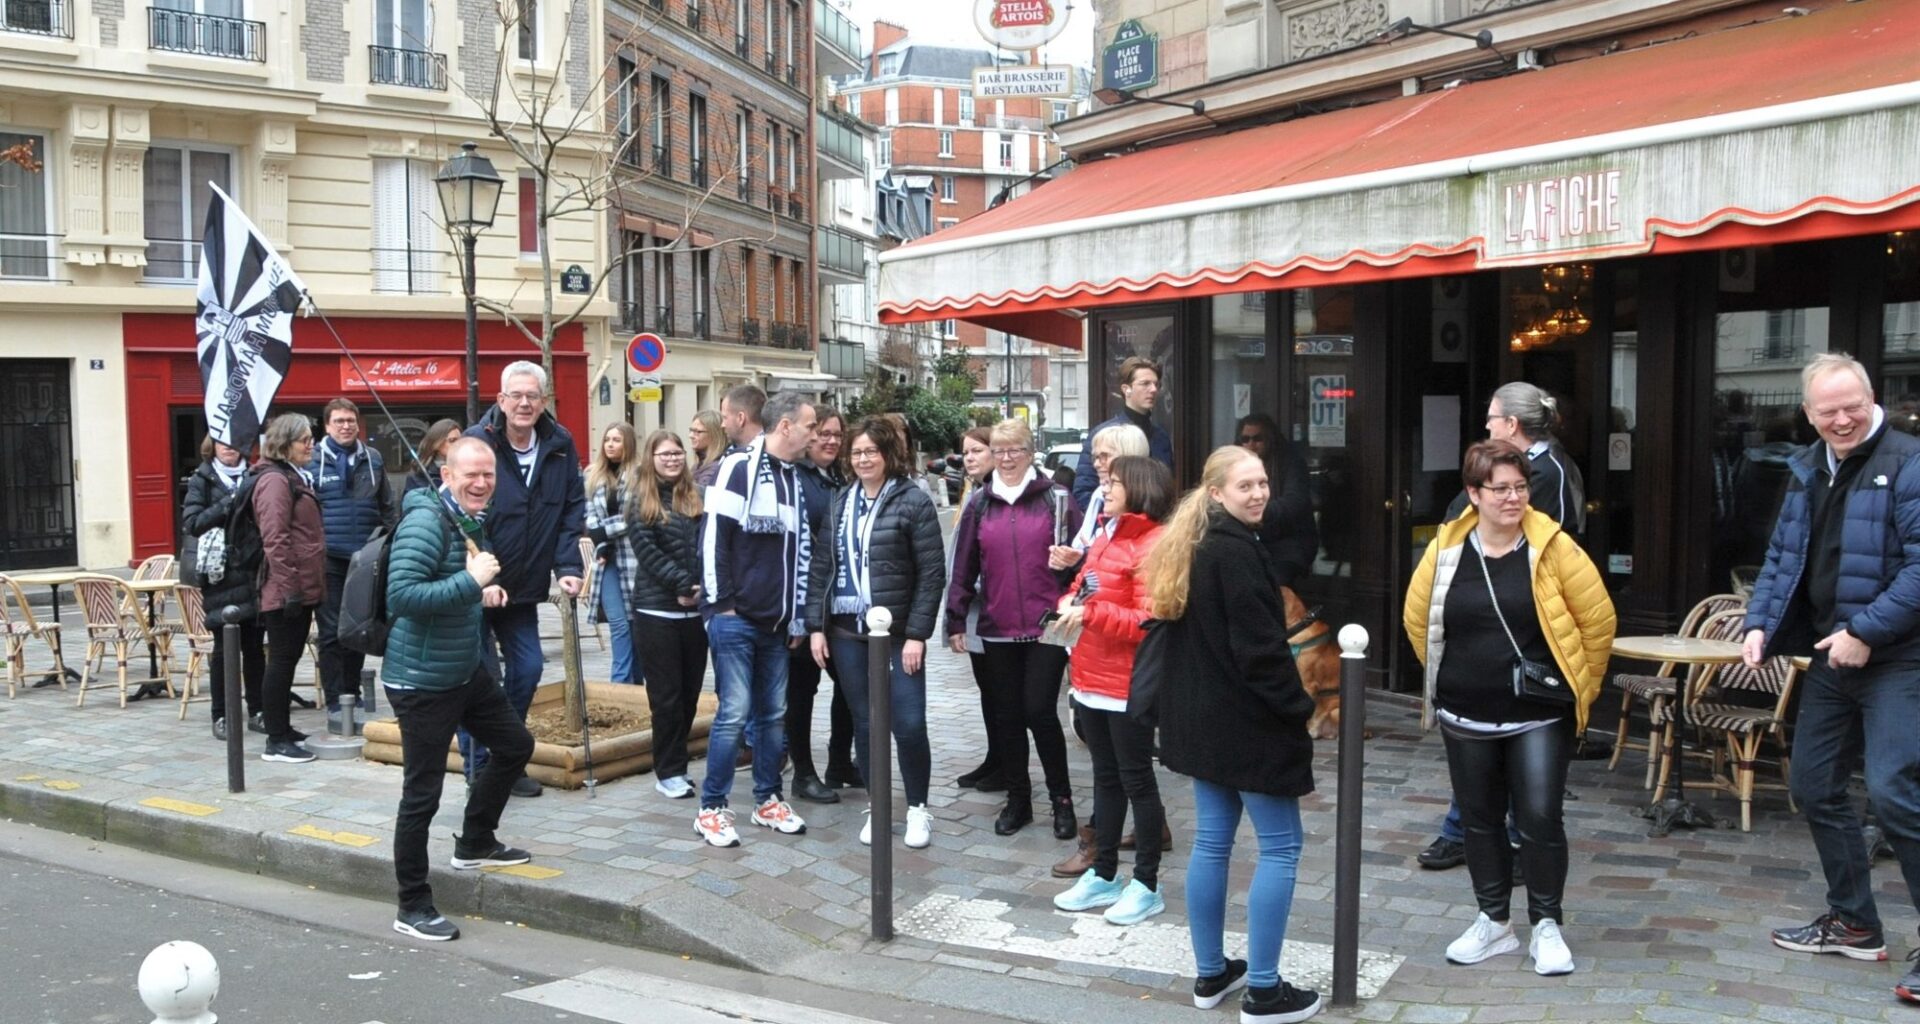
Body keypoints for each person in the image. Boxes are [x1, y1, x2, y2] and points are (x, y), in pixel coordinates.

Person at [1743, 354, 1920, 1000]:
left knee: (1894, 791)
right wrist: (1759, 622)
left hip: (1898, 657)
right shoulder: (1807, 467)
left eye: (1851, 405)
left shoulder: (1908, 462)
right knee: (1814, 786)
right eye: (1827, 411)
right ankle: (1855, 923)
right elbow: (1785, 554)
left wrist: (1866, 632)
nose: (1841, 419)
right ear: (1810, 414)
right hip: (1830, 655)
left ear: (1872, 398)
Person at [1403, 440, 1614, 978]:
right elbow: (1419, 620)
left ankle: (1547, 925)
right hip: (1465, 713)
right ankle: (1494, 922)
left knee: (1541, 818)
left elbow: (1597, 622)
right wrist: (1449, 680)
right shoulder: (1446, 551)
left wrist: (1577, 692)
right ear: (1473, 494)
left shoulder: (1554, 547)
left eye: (1521, 487)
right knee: (1479, 822)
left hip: (1538, 714)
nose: (1514, 498)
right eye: (1500, 489)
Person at [1145, 444, 1321, 1023]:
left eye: (1264, 482)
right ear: (1216, 492)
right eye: (1246, 485)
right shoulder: (1235, 552)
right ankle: (1265, 992)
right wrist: (1299, 708)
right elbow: (1261, 654)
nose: (1260, 493)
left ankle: (1211, 972)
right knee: (1281, 847)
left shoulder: (1199, 542)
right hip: (1246, 725)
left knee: (1213, 844)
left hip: (1204, 724)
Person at [1422, 381, 1587, 871]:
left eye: (1492, 418)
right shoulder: (1526, 465)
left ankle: (1500, 841)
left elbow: (1543, 558)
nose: (1488, 425)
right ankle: (1472, 833)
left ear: (1511, 424)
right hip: (1489, 648)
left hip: (1525, 639)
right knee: (1488, 744)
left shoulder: (1546, 471)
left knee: (1512, 744)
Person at [383, 436, 536, 942]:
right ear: (446, 475)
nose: (480, 483)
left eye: (488, 474)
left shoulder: (466, 518)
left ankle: (474, 841)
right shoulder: (427, 520)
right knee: (422, 794)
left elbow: (449, 583)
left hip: (463, 670)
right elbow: (402, 596)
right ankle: (412, 904)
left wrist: (478, 589)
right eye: (470, 474)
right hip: (421, 680)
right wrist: (471, 584)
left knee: (516, 745)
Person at [807, 416, 946, 848]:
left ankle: (918, 810)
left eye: (871, 451)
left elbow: (931, 573)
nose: (863, 458)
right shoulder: (839, 502)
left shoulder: (913, 501)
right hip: (847, 632)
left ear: (888, 454)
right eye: (857, 452)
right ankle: (878, 806)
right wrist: (816, 626)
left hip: (900, 633)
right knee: (866, 724)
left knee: (907, 723)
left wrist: (919, 634)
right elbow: (821, 569)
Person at [1051, 455, 1174, 926]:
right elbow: (1086, 585)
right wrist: (1070, 599)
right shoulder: (1106, 532)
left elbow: (1151, 620)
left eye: (1114, 482)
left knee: (1136, 779)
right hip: (1089, 675)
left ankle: (1147, 882)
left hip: (1128, 683)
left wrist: (1090, 614)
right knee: (1105, 778)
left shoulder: (1156, 543)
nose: (1105, 490)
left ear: (1140, 487)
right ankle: (1105, 874)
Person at [946, 418, 1082, 839]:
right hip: (998, 623)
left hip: (1046, 625)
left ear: (1030, 453)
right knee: (1006, 715)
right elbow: (964, 564)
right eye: (999, 451)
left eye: (1015, 450)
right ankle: (1019, 799)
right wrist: (954, 618)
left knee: (1039, 710)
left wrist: (1074, 565)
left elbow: (1085, 560)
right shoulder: (980, 504)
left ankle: (1062, 801)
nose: (1006, 459)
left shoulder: (1057, 500)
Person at [694, 390, 819, 847]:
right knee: (734, 713)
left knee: (772, 716)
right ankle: (712, 808)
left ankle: (767, 799)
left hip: (777, 624)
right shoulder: (739, 466)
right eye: (808, 425)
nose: (814, 434)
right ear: (785, 426)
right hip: (736, 618)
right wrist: (720, 605)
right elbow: (713, 539)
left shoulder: (794, 477)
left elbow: (799, 554)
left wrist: (798, 618)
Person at [462, 361, 586, 797]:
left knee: (529, 668)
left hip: (524, 588)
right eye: (515, 395)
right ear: (500, 400)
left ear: (544, 401)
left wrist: (569, 569)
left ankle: (504, 757)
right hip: (477, 588)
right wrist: (482, 572)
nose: (524, 403)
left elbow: (572, 509)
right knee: (478, 679)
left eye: (532, 395)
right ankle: (479, 770)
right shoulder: (478, 442)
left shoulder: (559, 443)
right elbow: (463, 515)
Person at [623, 430, 707, 800]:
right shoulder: (640, 500)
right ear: (650, 458)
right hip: (657, 611)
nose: (672, 459)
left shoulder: (695, 496)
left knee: (689, 695)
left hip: (695, 616)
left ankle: (679, 764)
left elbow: (709, 546)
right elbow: (649, 554)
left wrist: (703, 586)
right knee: (667, 697)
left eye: (677, 453)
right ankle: (668, 770)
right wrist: (684, 586)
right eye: (664, 454)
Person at [311, 398, 397, 733]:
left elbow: (387, 505)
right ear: (327, 425)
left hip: (365, 559)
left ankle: (352, 691)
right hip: (328, 558)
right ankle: (336, 699)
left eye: (350, 420)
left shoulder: (372, 458)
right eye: (339, 421)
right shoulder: (313, 460)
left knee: (359, 628)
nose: (346, 426)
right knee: (332, 633)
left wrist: (391, 542)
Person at [789, 406, 858, 803]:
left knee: (850, 684)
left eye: (836, 434)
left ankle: (839, 761)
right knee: (802, 690)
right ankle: (802, 772)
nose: (830, 440)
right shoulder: (797, 480)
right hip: (804, 602)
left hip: (840, 604)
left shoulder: (839, 478)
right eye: (822, 433)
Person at [251, 412, 327, 765]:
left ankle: (283, 728)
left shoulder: (291, 475)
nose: (311, 444)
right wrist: (289, 588)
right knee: (280, 662)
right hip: (284, 590)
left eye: (311, 438)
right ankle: (276, 740)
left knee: (288, 659)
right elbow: (275, 540)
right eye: (304, 439)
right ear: (284, 444)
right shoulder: (275, 481)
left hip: (300, 585)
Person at [181, 436, 264, 740]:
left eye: (234, 443)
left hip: (254, 570)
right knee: (224, 649)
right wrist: (229, 502)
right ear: (211, 447)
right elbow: (193, 523)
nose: (229, 448)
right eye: (222, 443)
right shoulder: (202, 480)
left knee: (255, 648)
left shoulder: (255, 474)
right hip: (220, 575)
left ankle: (257, 710)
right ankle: (222, 715)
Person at [950, 426, 1005, 793]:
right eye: (966, 452)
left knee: (999, 692)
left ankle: (1004, 762)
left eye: (977, 451)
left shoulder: (994, 494)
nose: (969, 457)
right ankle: (994, 758)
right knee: (988, 690)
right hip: (973, 609)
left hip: (993, 608)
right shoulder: (975, 490)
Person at [1071, 356, 1173, 512]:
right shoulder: (1103, 435)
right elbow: (1084, 491)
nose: (1153, 389)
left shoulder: (1161, 438)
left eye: (1156, 384)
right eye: (1145, 383)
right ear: (1126, 389)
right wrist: (1108, 525)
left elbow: (1165, 491)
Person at [1235, 413, 1319, 588]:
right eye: (1245, 439)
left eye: (1257, 439)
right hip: (1250, 541)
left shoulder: (1290, 462)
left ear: (1269, 439)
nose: (1251, 444)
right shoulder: (1236, 465)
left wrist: (1258, 512)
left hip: (1289, 541)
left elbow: (1294, 502)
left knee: (1274, 583)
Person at [584, 422, 639, 684]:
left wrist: (603, 533)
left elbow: (636, 516)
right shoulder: (593, 474)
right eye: (607, 439)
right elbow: (590, 516)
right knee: (619, 623)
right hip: (606, 559)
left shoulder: (640, 475)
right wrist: (602, 538)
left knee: (636, 624)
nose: (610, 445)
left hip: (635, 559)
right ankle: (620, 686)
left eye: (616, 440)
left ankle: (636, 686)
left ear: (627, 443)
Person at [695, 386, 765, 488]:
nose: (722, 425)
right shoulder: (731, 453)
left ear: (740, 418)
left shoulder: (765, 458)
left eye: (725, 417)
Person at [404, 418, 464, 494]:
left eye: (461, 440)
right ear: (437, 443)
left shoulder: (468, 469)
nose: (458, 444)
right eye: (452, 440)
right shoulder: (419, 475)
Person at [688, 409, 727, 479]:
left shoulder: (716, 468)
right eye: (691, 430)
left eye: (697, 431)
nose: (691, 435)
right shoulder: (700, 463)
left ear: (714, 435)